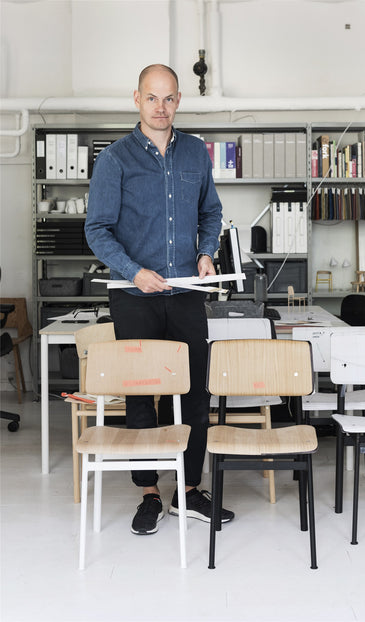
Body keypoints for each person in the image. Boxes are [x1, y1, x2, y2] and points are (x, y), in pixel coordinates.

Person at [85, 63, 234, 535]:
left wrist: (207, 252)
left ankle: (190, 490)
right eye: (152, 98)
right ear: (136, 99)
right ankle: (149, 492)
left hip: (187, 291)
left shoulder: (194, 152)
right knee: (141, 395)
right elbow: (97, 229)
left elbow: (211, 212)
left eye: (169, 98)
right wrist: (134, 271)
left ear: (179, 100)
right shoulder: (115, 159)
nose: (161, 107)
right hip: (135, 295)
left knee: (193, 391)